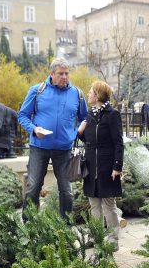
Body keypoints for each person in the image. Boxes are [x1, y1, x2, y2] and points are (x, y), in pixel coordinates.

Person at [18, 57, 88, 220]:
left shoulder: (77, 94)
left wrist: (76, 132)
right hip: (39, 146)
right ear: (52, 74)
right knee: (33, 187)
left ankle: (66, 226)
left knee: (67, 190)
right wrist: (34, 129)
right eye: (60, 74)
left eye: (67, 73)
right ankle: (30, 225)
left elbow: (85, 118)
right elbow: (22, 115)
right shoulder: (37, 90)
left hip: (64, 150)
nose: (64, 77)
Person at [77, 81, 125, 244]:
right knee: (94, 204)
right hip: (91, 166)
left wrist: (117, 166)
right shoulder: (90, 114)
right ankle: (96, 237)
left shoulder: (112, 114)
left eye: (90, 92)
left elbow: (118, 142)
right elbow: (89, 139)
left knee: (108, 205)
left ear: (97, 95)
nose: (88, 94)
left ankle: (112, 238)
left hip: (107, 166)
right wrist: (80, 133)